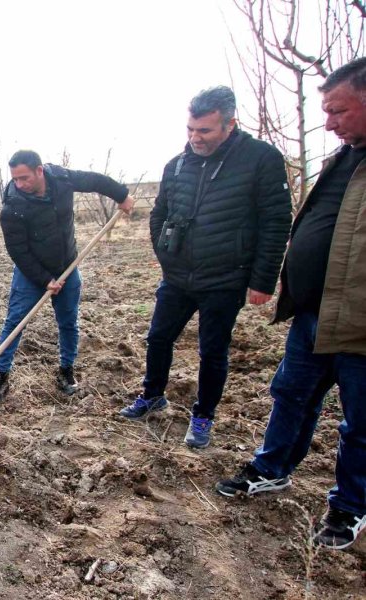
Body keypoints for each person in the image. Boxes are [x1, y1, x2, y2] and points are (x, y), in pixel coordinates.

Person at [216, 58, 366, 551]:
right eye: (324, 111)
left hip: (361, 323)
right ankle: (271, 468)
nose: (329, 123)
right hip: (314, 312)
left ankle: (349, 508)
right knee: (291, 395)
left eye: (338, 110)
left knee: (360, 422)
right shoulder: (344, 158)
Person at [118, 86, 292, 449]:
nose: (195, 138)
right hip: (178, 277)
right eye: (190, 130)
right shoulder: (178, 165)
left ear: (230, 125)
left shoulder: (261, 159)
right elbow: (159, 215)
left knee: (212, 351)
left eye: (205, 131)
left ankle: (203, 416)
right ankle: (152, 395)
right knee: (158, 338)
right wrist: (165, 254)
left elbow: (275, 222)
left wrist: (262, 279)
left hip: (226, 279)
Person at [0, 150, 134, 405]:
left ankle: (66, 371)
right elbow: (18, 252)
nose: (19, 185)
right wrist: (44, 279)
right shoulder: (13, 208)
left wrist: (121, 195)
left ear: (40, 170)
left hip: (68, 265)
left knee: (68, 322)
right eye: (15, 179)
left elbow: (95, 180)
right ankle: (1, 376)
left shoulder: (62, 178)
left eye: (24, 178)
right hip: (31, 273)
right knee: (15, 323)